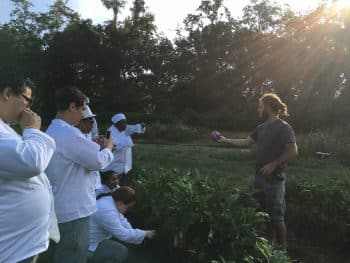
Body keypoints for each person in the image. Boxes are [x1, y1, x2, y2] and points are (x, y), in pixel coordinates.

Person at [216, 93, 298, 251]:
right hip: (259, 178)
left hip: (274, 179)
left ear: (268, 107)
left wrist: (274, 164)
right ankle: (271, 248)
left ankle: (283, 252)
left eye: (260, 106)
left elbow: (293, 151)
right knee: (263, 215)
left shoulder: (284, 127)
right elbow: (246, 142)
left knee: (277, 217)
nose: (258, 109)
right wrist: (225, 140)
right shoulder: (260, 128)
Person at [45, 87, 115, 263]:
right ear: (72, 107)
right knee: (74, 254)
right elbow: (98, 162)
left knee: (65, 252)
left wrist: (89, 144)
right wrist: (109, 147)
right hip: (75, 211)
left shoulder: (54, 130)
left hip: (61, 205)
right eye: (83, 108)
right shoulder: (69, 133)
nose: (84, 114)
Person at [0, 78, 59, 263]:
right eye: (27, 100)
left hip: (21, 242)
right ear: (8, 94)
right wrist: (32, 130)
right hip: (11, 248)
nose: (28, 108)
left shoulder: (5, 128)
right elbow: (32, 162)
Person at [89, 187, 156, 263]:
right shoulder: (107, 211)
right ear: (120, 202)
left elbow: (122, 220)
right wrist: (144, 233)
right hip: (88, 245)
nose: (127, 209)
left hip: (93, 239)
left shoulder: (110, 201)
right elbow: (122, 234)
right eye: (127, 206)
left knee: (126, 244)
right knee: (121, 251)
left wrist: (135, 232)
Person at [104, 113, 146, 178]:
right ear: (116, 124)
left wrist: (140, 126)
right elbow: (114, 145)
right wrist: (128, 145)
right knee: (114, 179)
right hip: (115, 162)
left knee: (123, 176)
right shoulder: (110, 132)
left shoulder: (123, 128)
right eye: (123, 123)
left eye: (126, 122)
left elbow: (133, 128)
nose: (125, 125)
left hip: (124, 162)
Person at [76, 105, 104, 190]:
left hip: (93, 180)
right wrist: (108, 148)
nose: (93, 125)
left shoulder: (86, 133)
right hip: (82, 185)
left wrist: (94, 141)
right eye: (91, 122)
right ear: (80, 122)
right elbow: (97, 162)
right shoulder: (75, 138)